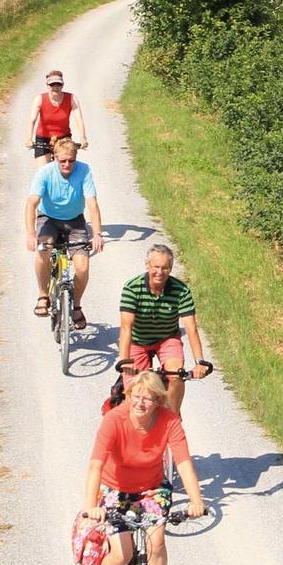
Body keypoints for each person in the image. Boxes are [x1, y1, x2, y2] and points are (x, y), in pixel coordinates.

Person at [81, 369, 207, 565]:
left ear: (159, 401)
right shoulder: (113, 420)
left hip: (151, 489)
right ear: (128, 396)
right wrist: (92, 505)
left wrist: (196, 499)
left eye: (148, 398)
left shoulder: (168, 420)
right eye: (136, 396)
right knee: (122, 553)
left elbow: (183, 461)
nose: (141, 403)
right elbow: (95, 465)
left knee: (157, 542)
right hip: (115, 489)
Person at [118, 244, 214, 413]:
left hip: (167, 339)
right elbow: (126, 327)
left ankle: (173, 419)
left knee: (176, 375)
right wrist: (125, 360)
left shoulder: (181, 290)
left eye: (165, 268)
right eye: (156, 267)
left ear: (170, 269)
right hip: (138, 340)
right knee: (134, 388)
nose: (159, 272)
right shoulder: (132, 288)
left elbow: (191, 328)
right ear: (147, 266)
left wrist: (200, 362)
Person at [24, 136, 104, 326]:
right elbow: (31, 204)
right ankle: (43, 295)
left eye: (71, 160)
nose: (67, 164)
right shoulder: (45, 173)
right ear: (54, 158)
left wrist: (97, 234)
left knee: (83, 267)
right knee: (43, 250)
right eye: (62, 161)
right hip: (49, 219)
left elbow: (92, 204)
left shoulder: (84, 171)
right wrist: (30, 234)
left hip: (75, 222)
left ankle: (76, 305)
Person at [29, 69, 89, 166]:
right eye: (52, 85)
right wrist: (29, 138)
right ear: (47, 86)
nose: (56, 87)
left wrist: (83, 138)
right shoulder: (39, 99)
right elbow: (32, 120)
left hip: (63, 138)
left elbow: (79, 119)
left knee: (66, 166)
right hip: (43, 139)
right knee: (42, 171)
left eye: (58, 85)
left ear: (63, 85)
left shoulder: (71, 98)